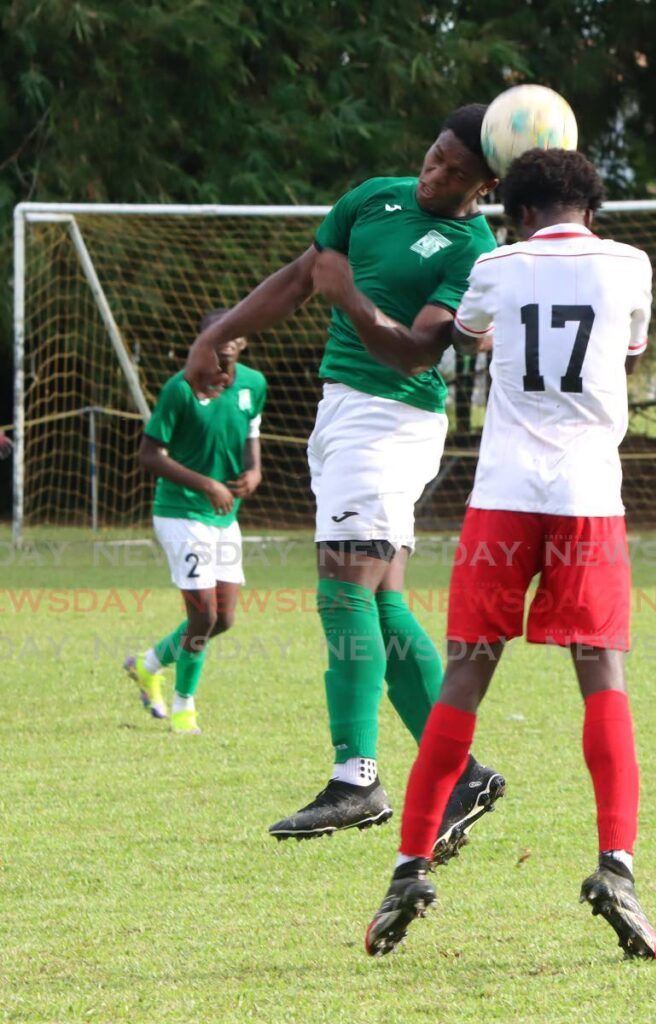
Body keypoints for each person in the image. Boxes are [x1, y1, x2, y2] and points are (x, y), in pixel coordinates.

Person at [315, 148, 656, 959]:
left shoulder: (495, 266)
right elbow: (629, 355)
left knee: (467, 670)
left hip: (502, 501)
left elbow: (464, 338)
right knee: (601, 673)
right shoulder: (629, 265)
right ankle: (616, 864)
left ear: (510, 211)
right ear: (591, 208)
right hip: (587, 501)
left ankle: (407, 869)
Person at [183, 106, 505, 860]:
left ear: (484, 186)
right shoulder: (373, 197)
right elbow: (300, 278)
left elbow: (418, 353)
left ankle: (356, 777)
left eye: (454, 171)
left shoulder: (473, 250)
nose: (433, 174)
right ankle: (461, 773)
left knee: (341, 590)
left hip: (391, 420)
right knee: (381, 601)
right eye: (432, 156)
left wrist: (349, 295)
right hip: (341, 416)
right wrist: (220, 331)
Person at [125, 310, 265, 734]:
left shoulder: (253, 385)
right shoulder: (180, 389)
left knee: (223, 619)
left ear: (242, 342)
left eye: (231, 343)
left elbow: (251, 433)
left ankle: (148, 665)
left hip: (224, 516)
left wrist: (254, 471)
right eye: (214, 343)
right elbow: (149, 455)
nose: (223, 353)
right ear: (202, 342)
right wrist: (207, 484)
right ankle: (184, 705)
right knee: (202, 615)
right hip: (180, 512)